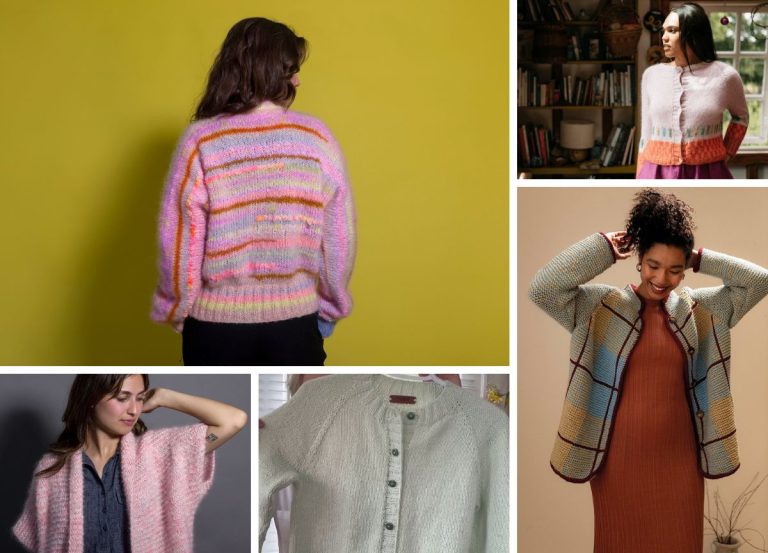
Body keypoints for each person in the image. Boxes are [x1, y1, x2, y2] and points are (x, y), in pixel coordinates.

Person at [528, 189, 768, 552]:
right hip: (617, 462)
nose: (662, 278)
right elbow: (543, 289)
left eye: (675, 270)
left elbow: (760, 281)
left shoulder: (699, 311)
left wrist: (701, 258)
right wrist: (604, 247)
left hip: (680, 460)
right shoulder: (600, 307)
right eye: (654, 265)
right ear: (639, 261)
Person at [151, 17, 356, 365]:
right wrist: (331, 305)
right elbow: (339, 237)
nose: (298, 79)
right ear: (269, 70)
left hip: (215, 328)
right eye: (291, 69)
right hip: (295, 325)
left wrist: (177, 306)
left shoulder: (201, 140)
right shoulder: (316, 139)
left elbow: (179, 240)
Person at [13, 374, 248, 553]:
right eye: (122, 398)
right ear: (90, 399)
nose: (134, 410)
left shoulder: (158, 454)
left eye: (140, 398)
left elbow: (234, 420)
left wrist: (164, 396)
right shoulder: (52, 470)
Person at [636, 3, 749, 179]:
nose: (664, 37)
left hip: (708, 173)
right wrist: (639, 177)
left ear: (694, 34)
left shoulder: (725, 76)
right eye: (663, 31)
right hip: (656, 173)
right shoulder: (652, 76)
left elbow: (741, 117)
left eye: (672, 30)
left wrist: (726, 153)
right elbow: (646, 133)